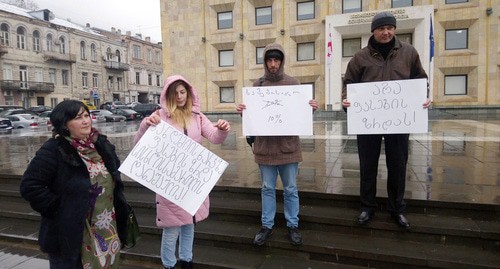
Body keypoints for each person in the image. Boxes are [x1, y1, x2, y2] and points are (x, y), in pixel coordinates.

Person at [341, 12, 432, 230]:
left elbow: (420, 79)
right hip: (368, 121)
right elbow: (348, 83)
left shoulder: (408, 52)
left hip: (399, 120)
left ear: (395, 29)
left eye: (390, 27)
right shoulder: (360, 57)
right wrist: (346, 100)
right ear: (373, 31)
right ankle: (367, 206)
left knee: (398, 165)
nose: (386, 32)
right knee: (368, 164)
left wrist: (424, 96)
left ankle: (397, 208)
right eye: (381, 28)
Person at [134, 75, 230, 269]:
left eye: (182, 92)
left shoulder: (197, 116)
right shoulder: (159, 116)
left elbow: (214, 137)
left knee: (189, 225)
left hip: (192, 180)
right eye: (175, 92)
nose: (179, 96)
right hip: (170, 180)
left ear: (188, 93)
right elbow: (139, 144)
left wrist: (223, 129)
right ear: (168, 94)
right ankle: (169, 265)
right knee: (171, 230)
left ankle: (187, 262)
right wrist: (145, 125)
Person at [20, 100, 129, 268]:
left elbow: (115, 175)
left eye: (86, 115)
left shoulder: (101, 145)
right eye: (78, 118)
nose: (86, 121)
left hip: (105, 228)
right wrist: (61, 209)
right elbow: (30, 186)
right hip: (70, 235)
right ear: (65, 124)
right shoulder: (54, 149)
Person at [237, 43, 318, 246]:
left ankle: (293, 224)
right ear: (265, 62)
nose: (273, 64)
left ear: (281, 61)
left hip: (288, 147)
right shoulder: (257, 85)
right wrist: (244, 112)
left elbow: (300, 113)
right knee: (267, 188)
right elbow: (252, 116)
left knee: (290, 188)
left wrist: (311, 109)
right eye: (269, 60)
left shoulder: (293, 83)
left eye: (276, 60)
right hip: (265, 148)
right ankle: (267, 225)